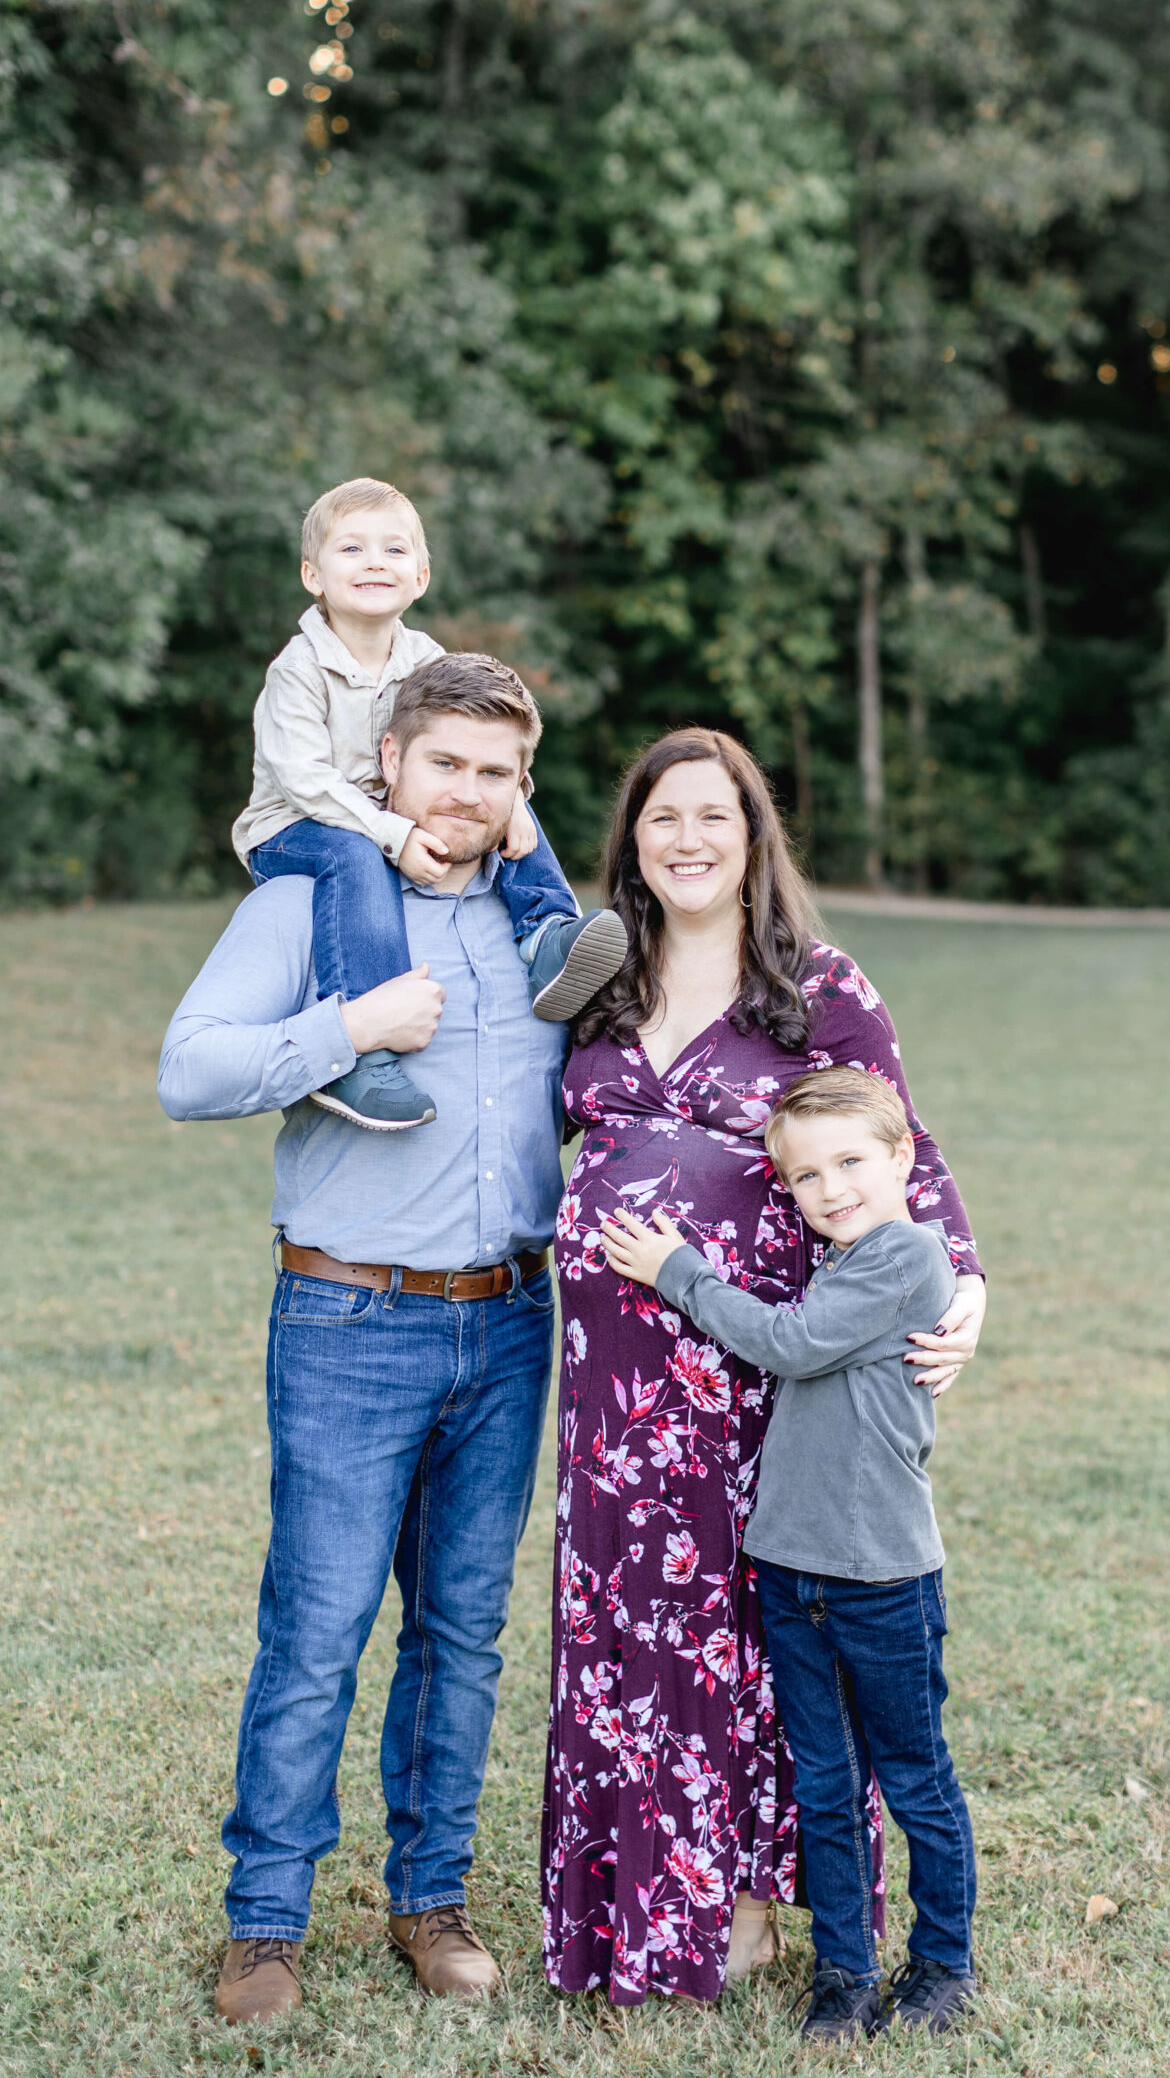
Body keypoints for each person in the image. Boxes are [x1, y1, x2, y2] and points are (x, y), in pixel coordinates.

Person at [540, 727, 986, 2006]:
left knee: (744, 1640)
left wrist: (969, 1286)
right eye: (660, 817)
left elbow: (914, 1152)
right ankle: (635, 1907)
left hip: (756, 1384)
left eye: (712, 817)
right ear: (632, 839)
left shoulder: (818, 986)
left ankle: (743, 1908)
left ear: (752, 839)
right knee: (628, 1635)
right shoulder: (601, 987)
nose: (685, 838)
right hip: (612, 1397)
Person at [159, 653, 573, 2028]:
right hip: (347, 1317)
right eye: (444, 762)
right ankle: (264, 1923)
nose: (466, 791)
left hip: (509, 1322)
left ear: (524, 792)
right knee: (318, 1630)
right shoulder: (309, 905)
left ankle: (430, 1901)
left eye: (496, 772)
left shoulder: (537, 935)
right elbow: (191, 1068)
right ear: (387, 763)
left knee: (462, 1635)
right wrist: (348, 1028)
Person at [604, 1066, 979, 2046]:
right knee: (823, 1778)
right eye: (806, 1175)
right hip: (793, 1571)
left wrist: (679, 1270)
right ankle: (844, 1973)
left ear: (904, 1159)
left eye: (851, 1160)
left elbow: (791, 1342)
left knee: (911, 1774)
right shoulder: (843, 1256)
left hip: (883, 1577)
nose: (831, 1188)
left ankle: (943, 1962)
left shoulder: (907, 1258)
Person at [233, 476, 624, 1131]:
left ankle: (544, 940)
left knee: (506, 810)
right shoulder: (296, 670)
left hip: (381, 820)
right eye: (351, 549)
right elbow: (302, 779)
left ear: (420, 576)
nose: (374, 562)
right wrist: (391, 834)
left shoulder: (423, 657)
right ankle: (366, 1056)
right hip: (293, 828)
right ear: (312, 575)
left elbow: (467, 734)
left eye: (393, 550)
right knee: (355, 855)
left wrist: (517, 802)